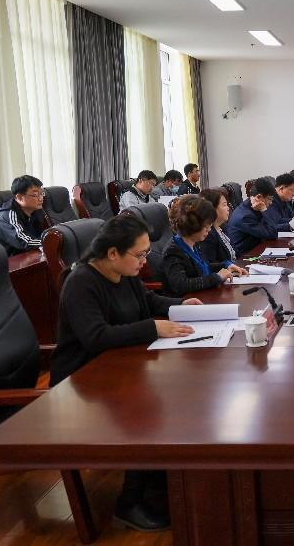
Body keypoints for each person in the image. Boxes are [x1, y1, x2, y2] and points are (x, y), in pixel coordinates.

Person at [50, 213, 203, 531]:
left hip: (120, 365)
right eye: (140, 254)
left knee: (179, 392)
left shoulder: (126, 272)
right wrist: (152, 328)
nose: (145, 261)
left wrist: (180, 305)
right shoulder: (81, 283)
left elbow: (148, 300)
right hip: (82, 382)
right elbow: (96, 337)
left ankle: (158, 473)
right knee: (143, 410)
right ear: (112, 253)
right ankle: (129, 501)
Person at [161, 195, 245, 296]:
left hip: (204, 296)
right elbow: (181, 285)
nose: (209, 229)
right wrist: (217, 277)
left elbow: (203, 267)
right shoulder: (173, 251)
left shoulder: (195, 243)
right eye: (206, 225)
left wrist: (226, 265)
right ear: (193, 224)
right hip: (188, 302)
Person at [0, 174, 48, 256]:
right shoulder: (7, 216)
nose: (41, 198)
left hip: (30, 255)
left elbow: (43, 233)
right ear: (19, 198)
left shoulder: (36, 209)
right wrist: (51, 241)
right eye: (35, 195)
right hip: (12, 260)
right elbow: (25, 242)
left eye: (41, 193)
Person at [227, 178, 278, 254]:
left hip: (257, 248)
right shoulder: (245, 217)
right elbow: (272, 234)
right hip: (244, 256)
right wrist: (264, 210)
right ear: (259, 197)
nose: (271, 203)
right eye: (269, 199)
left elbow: (273, 224)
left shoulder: (252, 207)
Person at [197, 188, 241, 265]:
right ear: (212, 208)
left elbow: (236, 254)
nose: (228, 208)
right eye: (224, 205)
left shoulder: (223, 227)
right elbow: (210, 265)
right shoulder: (207, 234)